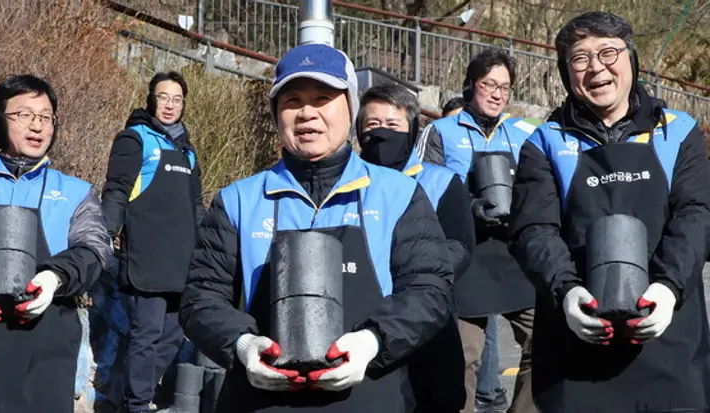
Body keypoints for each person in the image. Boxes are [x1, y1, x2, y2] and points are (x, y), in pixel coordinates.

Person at [179, 43, 460, 413]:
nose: (307, 112)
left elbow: (430, 289)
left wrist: (373, 342)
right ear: (276, 114)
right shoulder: (238, 201)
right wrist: (242, 345)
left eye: (323, 98)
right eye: (292, 100)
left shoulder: (399, 194)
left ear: (350, 110)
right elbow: (200, 299)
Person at [509, 12, 710, 412]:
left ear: (631, 59)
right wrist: (566, 291)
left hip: (668, 334)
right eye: (580, 58)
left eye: (608, 52)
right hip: (577, 338)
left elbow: (696, 213)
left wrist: (668, 287)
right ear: (567, 73)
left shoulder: (677, 131)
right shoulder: (545, 142)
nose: (596, 67)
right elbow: (534, 229)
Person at [0, 74, 112, 412]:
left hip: (44, 353)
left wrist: (53, 278)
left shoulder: (76, 193)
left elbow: (95, 249)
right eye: (24, 115)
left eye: (46, 117)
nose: (37, 126)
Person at [415, 49, 539, 413]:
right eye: (489, 84)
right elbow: (420, 189)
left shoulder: (524, 133)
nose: (498, 94)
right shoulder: (440, 131)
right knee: (463, 356)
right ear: (471, 85)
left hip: (514, 257)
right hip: (465, 256)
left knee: (546, 341)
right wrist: (467, 206)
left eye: (505, 87)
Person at [356, 83, 473, 412]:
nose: (382, 133)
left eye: (392, 125)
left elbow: (460, 246)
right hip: (362, 324)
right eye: (372, 124)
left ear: (412, 129)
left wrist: (412, 278)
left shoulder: (441, 182)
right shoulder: (346, 185)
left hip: (428, 322)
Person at [101, 71, 206, 413]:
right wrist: (104, 235)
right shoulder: (135, 139)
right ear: (151, 99)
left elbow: (196, 206)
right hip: (146, 256)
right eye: (163, 97)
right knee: (146, 334)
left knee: (173, 336)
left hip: (182, 259)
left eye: (177, 99)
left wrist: (205, 248)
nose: (170, 105)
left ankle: (126, 394)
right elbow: (117, 190)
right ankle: (136, 404)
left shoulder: (187, 150)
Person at [439, 93, 509, 413]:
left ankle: (490, 390)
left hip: (500, 251)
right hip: (462, 253)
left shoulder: (513, 135)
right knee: (469, 346)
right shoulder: (438, 139)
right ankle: (484, 393)